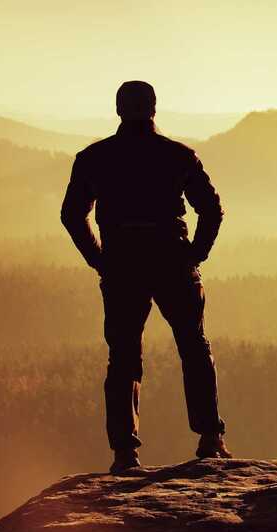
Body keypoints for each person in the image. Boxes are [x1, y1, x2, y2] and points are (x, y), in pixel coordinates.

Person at [61, 81, 232, 474]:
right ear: (154, 108)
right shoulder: (178, 156)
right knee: (193, 345)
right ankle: (210, 438)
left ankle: (125, 453)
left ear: (118, 109)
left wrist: (99, 259)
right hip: (173, 261)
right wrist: (195, 254)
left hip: (122, 265)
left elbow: (72, 215)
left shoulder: (94, 158)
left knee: (123, 359)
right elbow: (211, 209)